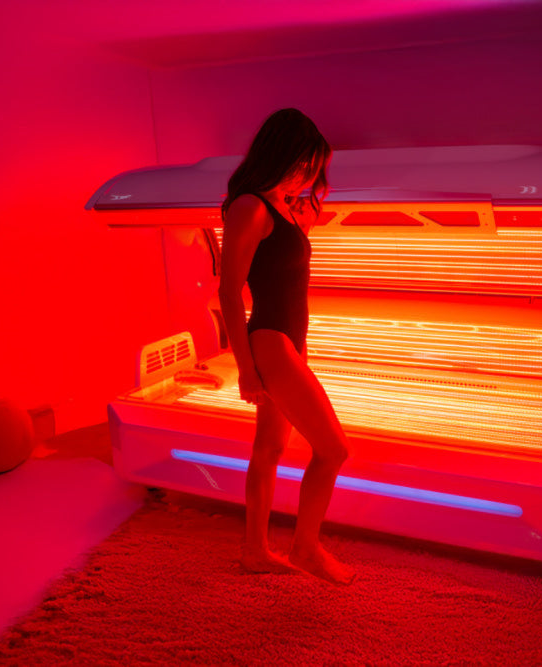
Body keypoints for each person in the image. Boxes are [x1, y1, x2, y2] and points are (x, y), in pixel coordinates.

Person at [218, 109, 355, 585]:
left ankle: (254, 551)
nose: (307, 176)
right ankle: (305, 547)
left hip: (289, 344)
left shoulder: (287, 209)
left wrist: (309, 199)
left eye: (313, 169)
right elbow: (228, 290)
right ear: (278, 155)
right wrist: (246, 368)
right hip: (271, 342)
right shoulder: (250, 207)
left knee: (269, 449)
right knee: (334, 450)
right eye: (301, 164)